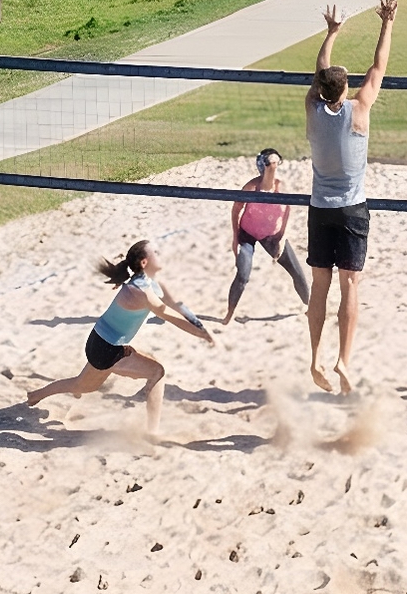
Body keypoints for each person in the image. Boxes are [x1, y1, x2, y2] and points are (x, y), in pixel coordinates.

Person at [304, 0, 400, 393]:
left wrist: (332, 32)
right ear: (345, 89)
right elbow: (379, 67)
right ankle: (344, 360)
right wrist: (387, 22)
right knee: (350, 286)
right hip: (352, 209)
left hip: (319, 209)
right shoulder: (359, 110)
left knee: (319, 286)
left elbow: (320, 70)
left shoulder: (311, 106)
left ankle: (314, 359)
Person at [22, 239, 214, 433]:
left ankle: (35, 395)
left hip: (101, 341)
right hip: (107, 348)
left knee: (82, 385)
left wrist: (198, 323)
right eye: (156, 251)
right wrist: (201, 334)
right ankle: (152, 432)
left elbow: (176, 305)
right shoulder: (141, 291)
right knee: (157, 372)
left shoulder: (152, 284)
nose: (161, 253)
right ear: (144, 262)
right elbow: (167, 314)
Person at [221, 149, 310, 325]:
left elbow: (287, 213)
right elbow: (236, 209)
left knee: (297, 273)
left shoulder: (281, 188)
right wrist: (235, 237)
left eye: (275, 163)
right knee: (243, 275)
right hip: (247, 234)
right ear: (263, 166)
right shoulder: (251, 187)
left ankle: (310, 307)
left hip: (272, 236)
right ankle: (229, 315)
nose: (273, 167)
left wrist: (282, 237)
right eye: (270, 163)